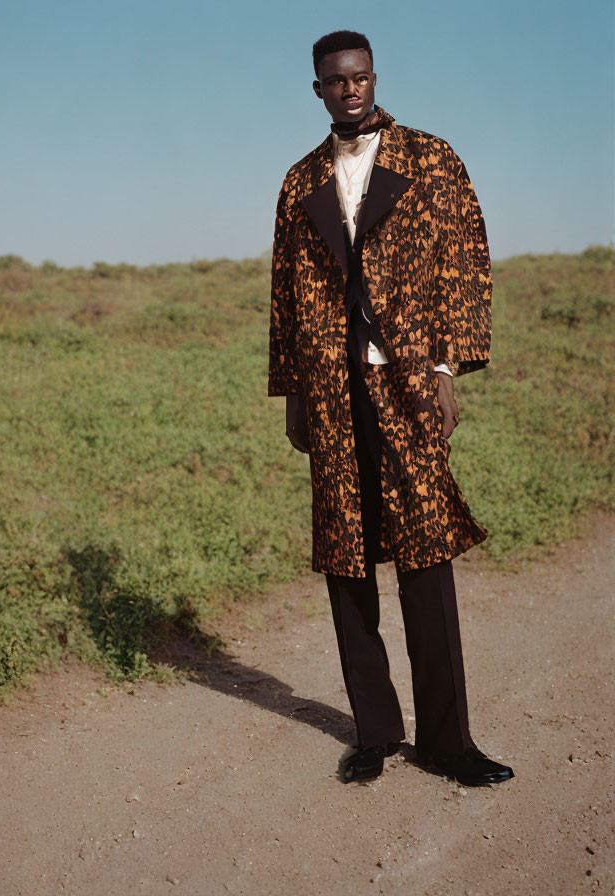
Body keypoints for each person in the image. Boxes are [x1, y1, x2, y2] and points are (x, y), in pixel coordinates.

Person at [267, 30, 514, 787]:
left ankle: (448, 741)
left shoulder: (431, 159)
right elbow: (284, 292)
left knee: (424, 550)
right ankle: (373, 731)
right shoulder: (299, 180)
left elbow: (466, 260)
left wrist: (446, 367)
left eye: (362, 77)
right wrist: (295, 391)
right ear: (318, 89)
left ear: (376, 78)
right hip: (332, 389)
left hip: (406, 380)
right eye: (337, 82)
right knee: (346, 554)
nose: (352, 90)